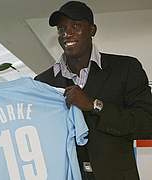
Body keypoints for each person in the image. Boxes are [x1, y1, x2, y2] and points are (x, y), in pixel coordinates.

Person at [34, 1, 152, 180]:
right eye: (61, 28)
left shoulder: (126, 68)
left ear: (92, 30)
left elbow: (146, 124)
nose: (67, 33)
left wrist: (94, 105)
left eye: (76, 26)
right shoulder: (43, 82)